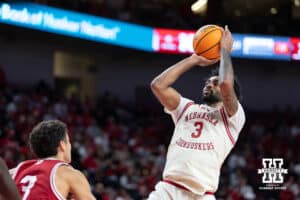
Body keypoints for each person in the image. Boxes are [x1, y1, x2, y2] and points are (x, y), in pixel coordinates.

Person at [148, 25, 245, 200]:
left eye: (214, 83)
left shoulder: (234, 117)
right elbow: (158, 85)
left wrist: (224, 51)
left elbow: (226, 84)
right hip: (168, 190)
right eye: (207, 82)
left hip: (202, 195)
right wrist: (193, 60)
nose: (209, 84)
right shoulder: (186, 108)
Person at [10, 120, 96, 200]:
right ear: (62, 145)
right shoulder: (69, 174)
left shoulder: (18, 170)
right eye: (69, 141)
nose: (70, 146)